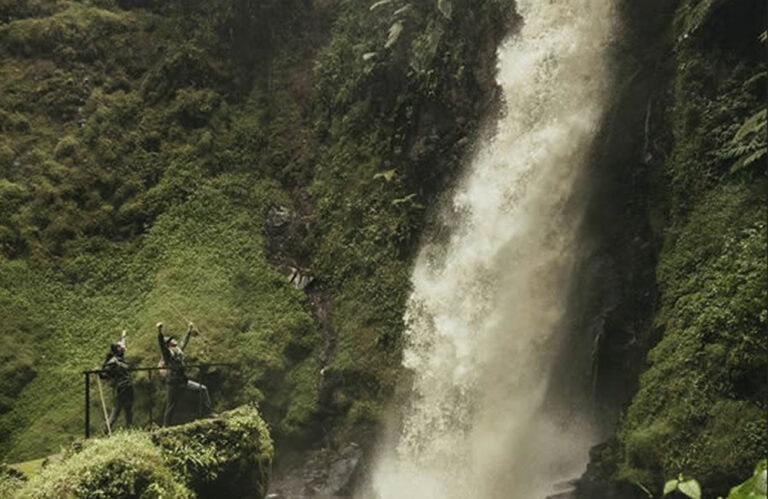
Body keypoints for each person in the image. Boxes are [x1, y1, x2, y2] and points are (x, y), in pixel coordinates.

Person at [157, 321, 214, 426]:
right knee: (170, 406)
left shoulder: (178, 351)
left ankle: (208, 413)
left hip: (183, 381)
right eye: (171, 340)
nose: (174, 340)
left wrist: (189, 330)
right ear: (168, 344)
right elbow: (161, 344)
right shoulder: (167, 354)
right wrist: (160, 331)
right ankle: (165, 427)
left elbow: (184, 342)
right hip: (173, 384)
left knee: (203, 389)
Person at [100, 330, 133, 432]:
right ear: (116, 350)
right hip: (121, 387)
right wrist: (100, 373)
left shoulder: (120, 358)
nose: (122, 347)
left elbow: (122, 346)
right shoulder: (113, 362)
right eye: (119, 347)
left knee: (128, 409)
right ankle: (106, 430)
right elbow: (104, 374)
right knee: (116, 411)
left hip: (127, 386)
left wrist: (123, 337)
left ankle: (129, 429)